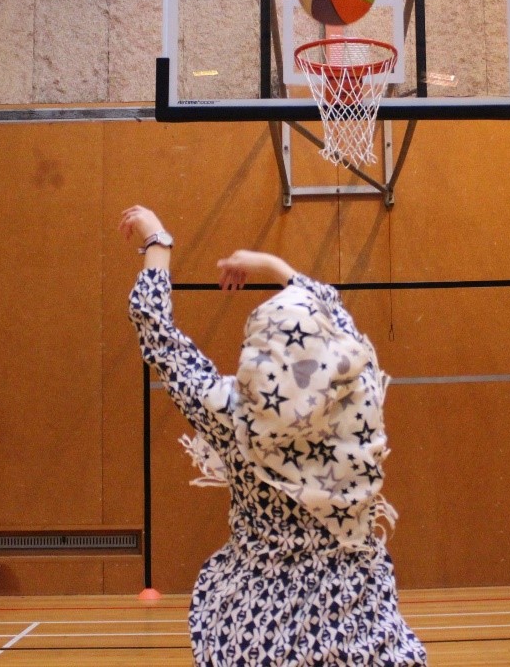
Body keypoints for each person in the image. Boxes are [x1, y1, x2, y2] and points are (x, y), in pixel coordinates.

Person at [120, 204, 427, 666]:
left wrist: (156, 242)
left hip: (256, 633)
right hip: (360, 626)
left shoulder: (232, 414)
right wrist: (272, 266)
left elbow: (157, 333)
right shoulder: (360, 395)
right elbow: (329, 307)